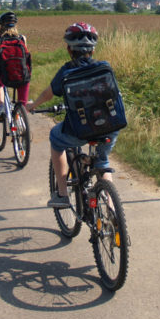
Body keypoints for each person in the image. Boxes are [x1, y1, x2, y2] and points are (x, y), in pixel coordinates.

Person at [26, 21, 119, 209]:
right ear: (92, 50)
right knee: (102, 161)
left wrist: (33, 105)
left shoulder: (67, 71)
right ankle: (111, 209)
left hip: (80, 129)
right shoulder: (104, 66)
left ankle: (61, 195)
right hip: (109, 126)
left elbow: (48, 93)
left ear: (69, 49)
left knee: (56, 138)